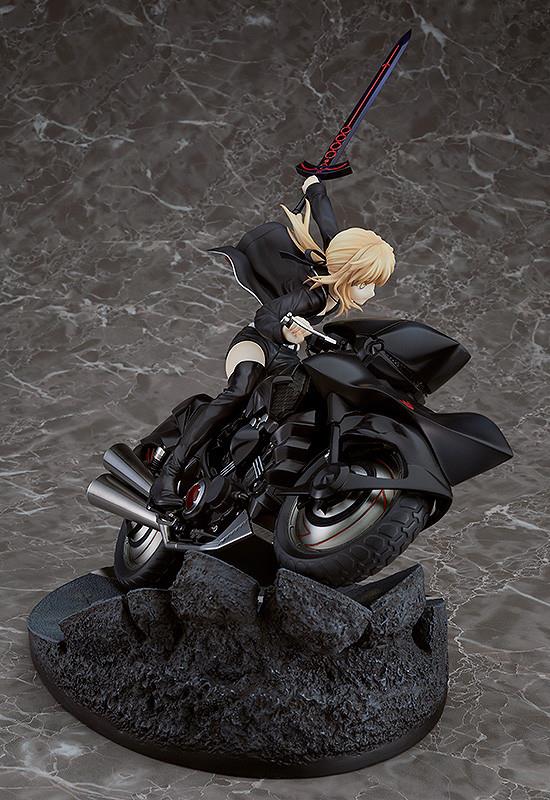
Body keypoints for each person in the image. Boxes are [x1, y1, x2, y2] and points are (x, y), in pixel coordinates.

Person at [149, 175, 396, 511]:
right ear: (349, 275)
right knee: (240, 390)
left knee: (299, 396)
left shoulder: (337, 273)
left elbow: (329, 227)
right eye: (367, 284)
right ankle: (169, 474)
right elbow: (266, 316)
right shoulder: (312, 295)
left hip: (285, 354)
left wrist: (314, 188)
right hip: (258, 342)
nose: (372, 292)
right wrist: (285, 332)